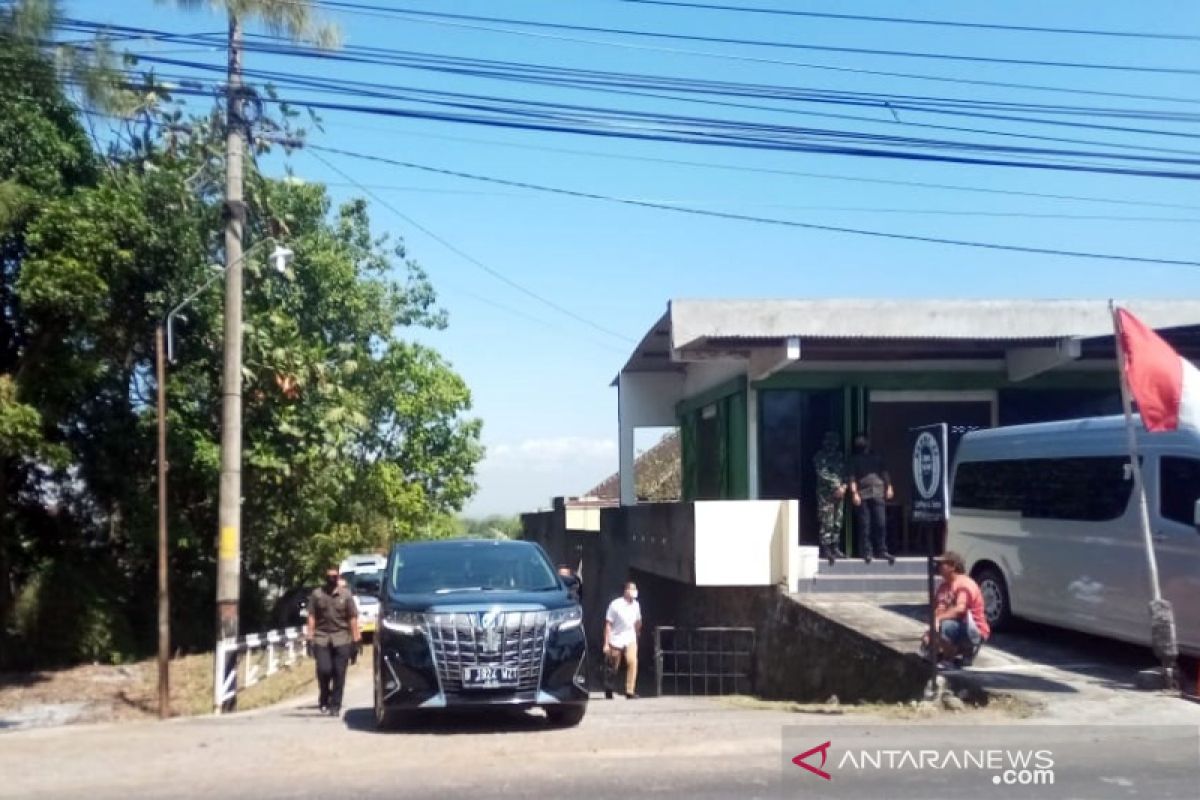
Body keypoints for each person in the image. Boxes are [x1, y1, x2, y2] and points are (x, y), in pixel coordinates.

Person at [306, 566, 361, 717]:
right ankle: (324, 695)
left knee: (339, 673)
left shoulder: (346, 595)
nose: (331, 579)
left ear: (338, 577)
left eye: (334, 576)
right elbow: (311, 617)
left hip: (342, 638)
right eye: (328, 577)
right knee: (324, 670)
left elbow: (352, 618)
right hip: (322, 638)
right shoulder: (317, 595)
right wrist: (309, 638)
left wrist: (356, 641)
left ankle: (335, 705)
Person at [922, 551, 990, 668]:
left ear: (952, 566)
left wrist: (938, 619)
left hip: (973, 629)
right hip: (955, 626)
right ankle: (958, 651)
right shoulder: (943, 587)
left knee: (945, 626)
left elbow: (960, 609)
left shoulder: (965, 584)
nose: (938, 567)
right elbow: (938, 608)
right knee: (929, 641)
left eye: (941, 564)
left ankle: (950, 658)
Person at [846, 433, 895, 565]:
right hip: (863, 494)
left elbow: (885, 472)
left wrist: (889, 487)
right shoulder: (854, 459)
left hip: (878, 492)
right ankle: (867, 552)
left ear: (867, 442)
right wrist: (854, 493)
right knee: (865, 525)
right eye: (858, 442)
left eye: (862, 441)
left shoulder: (877, 457)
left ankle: (882, 550)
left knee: (881, 523)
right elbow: (851, 478)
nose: (860, 444)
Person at [813, 431, 848, 565]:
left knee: (837, 521)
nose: (832, 444)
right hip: (826, 494)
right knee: (826, 521)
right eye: (830, 441)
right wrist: (837, 486)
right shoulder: (820, 456)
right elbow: (822, 473)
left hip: (840, 493)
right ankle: (826, 549)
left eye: (834, 441)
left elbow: (846, 472)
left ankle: (836, 547)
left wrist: (844, 487)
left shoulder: (840, 456)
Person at [604, 581, 642, 699]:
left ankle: (630, 691)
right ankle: (609, 687)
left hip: (630, 637)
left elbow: (638, 621)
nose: (634, 592)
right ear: (625, 591)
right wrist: (606, 643)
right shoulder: (615, 605)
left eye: (635, 589)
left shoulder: (636, 605)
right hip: (616, 638)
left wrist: (637, 632)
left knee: (632, 661)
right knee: (613, 666)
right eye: (631, 589)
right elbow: (608, 624)